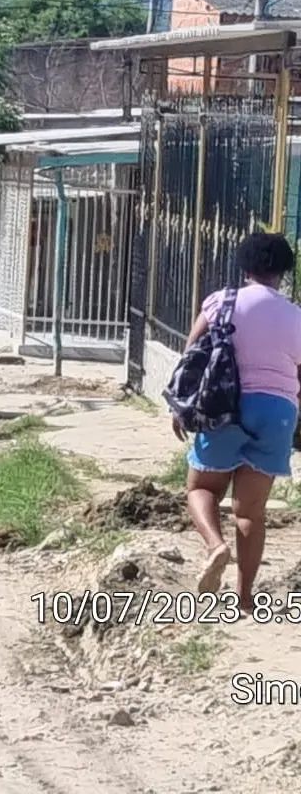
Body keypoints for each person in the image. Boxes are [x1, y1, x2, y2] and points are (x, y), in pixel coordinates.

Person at [177, 232, 301, 610]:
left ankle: (216, 547)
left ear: (244, 266)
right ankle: (245, 598)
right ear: (283, 272)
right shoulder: (296, 316)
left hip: (225, 405)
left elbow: (191, 353)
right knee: (250, 511)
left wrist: (180, 404)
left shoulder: (221, 302)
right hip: (278, 411)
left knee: (202, 489)